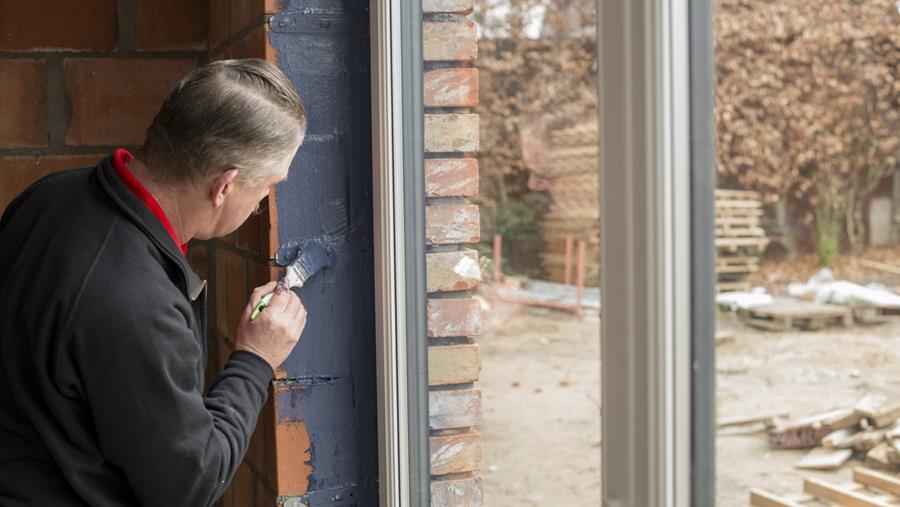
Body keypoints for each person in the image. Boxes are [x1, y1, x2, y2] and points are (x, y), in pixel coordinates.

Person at [0, 59, 308, 507]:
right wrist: (255, 360)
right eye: (268, 186)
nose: (265, 199)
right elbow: (189, 486)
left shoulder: (51, 195)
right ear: (225, 186)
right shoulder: (135, 302)